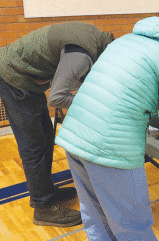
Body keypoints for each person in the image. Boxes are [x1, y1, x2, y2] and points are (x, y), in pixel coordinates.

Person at [55, 16, 159, 240]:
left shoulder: (129, 39)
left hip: (75, 137)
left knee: (96, 221)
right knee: (133, 228)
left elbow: (136, 98)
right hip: (111, 148)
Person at [0, 22, 114, 227]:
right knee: (33, 144)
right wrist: (90, 105)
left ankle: (46, 191)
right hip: (13, 76)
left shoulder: (95, 37)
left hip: (26, 75)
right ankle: (43, 207)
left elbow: (76, 77)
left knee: (45, 137)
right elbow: (57, 98)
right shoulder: (81, 55)